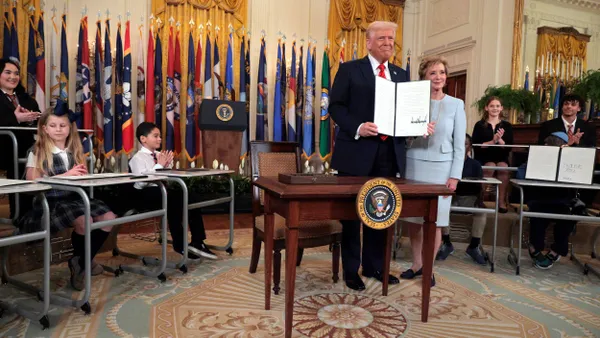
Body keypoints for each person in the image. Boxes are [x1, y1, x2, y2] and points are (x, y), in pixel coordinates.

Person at [329, 21, 434, 291]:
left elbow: (407, 114)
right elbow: (336, 108)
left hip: (389, 154)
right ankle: (351, 270)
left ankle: (375, 266)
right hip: (356, 154)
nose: (388, 43)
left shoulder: (401, 74)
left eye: (392, 39)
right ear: (369, 42)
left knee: (381, 212)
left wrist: (419, 126)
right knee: (352, 215)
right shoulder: (350, 69)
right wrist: (358, 127)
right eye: (383, 38)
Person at [15, 109, 115, 291]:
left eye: (63, 125)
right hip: (50, 202)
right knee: (85, 221)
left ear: (70, 128)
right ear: (44, 129)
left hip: (73, 198)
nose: (58, 129)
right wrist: (65, 175)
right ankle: (84, 265)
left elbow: (81, 178)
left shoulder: (75, 150)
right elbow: (32, 181)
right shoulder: (37, 151)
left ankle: (80, 261)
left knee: (108, 217)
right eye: (53, 126)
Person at [400, 55, 466, 286]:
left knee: (436, 221)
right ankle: (416, 264)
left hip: (442, 169)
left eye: (442, 73)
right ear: (424, 78)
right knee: (414, 219)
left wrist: (455, 177)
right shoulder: (413, 101)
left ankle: (429, 268)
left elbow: (460, 145)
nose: (438, 77)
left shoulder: (457, 104)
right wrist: (417, 131)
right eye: (433, 73)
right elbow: (403, 137)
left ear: (446, 78)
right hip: (414, 164)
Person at [129, 122, 216, 260]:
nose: (159, 139)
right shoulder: (137, 158)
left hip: (163, 191)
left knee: (190, 196)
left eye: (160, 136)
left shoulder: (159, 155)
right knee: (173, 200)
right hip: (145, 195)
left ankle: (198, 241)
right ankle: (180, 244)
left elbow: (166, 177)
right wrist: (159, 166)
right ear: (143, 139)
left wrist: (168, 168)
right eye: (155, 136)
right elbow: (139, 184)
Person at [518, 132, 578, 269]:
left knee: (567, 218)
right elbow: (520, 173)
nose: (545, 146)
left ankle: (557, 250)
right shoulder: (537, 157)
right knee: (538, 218)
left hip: (562, 201)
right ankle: (535, 248)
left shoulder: (570, 161)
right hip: (540, 199)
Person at [0, 58, 42, 218]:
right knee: (20, 166)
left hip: (28, 148)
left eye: (16, 73)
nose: (13, 77)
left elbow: (39, 120)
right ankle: (21, 220)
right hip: (6, 149)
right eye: (8, 72)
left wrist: (33, 118)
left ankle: (41, 218)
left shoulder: (26, 98)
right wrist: (15, 118)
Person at [437, 134, 487, 264]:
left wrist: (479, 201)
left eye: (465, 143)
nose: (461, 146)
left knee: (482, 212)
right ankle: (447, 244)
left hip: (469, 198)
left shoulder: (475, 165)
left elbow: (480, 186)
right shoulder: (447, 163)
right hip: (451, 197)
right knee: (441, 208)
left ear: (469, 147)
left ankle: (474, 246)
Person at [471, 96, 513, 213]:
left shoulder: (507, 126)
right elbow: (476, 145)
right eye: (492, 106)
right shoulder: (479, 125)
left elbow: (508, 147)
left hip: (501, 156)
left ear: (501, 108)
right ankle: (480, 199)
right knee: (489, 166)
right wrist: (493, 141)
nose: (495, 108)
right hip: (484, 156)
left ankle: (501, 202)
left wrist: (500, 140)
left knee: (503, 168)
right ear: (486, 108)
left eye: (497, 106)